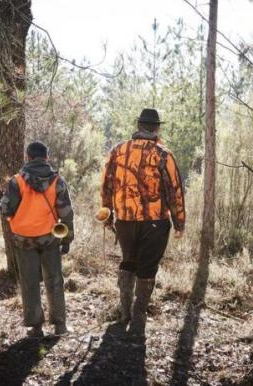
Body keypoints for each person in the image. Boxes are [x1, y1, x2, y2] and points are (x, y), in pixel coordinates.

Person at [100, 108, 186, 336]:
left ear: (139, 126)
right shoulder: (163, 154)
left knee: (128, 262)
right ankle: (138, 320)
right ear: (157, 128)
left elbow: (106, 185)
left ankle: (124, 314)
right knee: (147, 269)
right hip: (155, 222)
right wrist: (179, 223)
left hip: (125, 220)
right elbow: (174, 190)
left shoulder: (117, 151)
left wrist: (108, 214)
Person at [0, 141, 74, 338]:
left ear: (28, 157)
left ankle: (36, 328)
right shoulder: (58, 181)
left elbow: (5, 209)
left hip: (23, 238)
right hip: (49, 237)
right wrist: (67, 238)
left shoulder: (17, 181)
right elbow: (66, 213)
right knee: (54, 279)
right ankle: (60, 326)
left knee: (29, 281)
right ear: (46, 157)